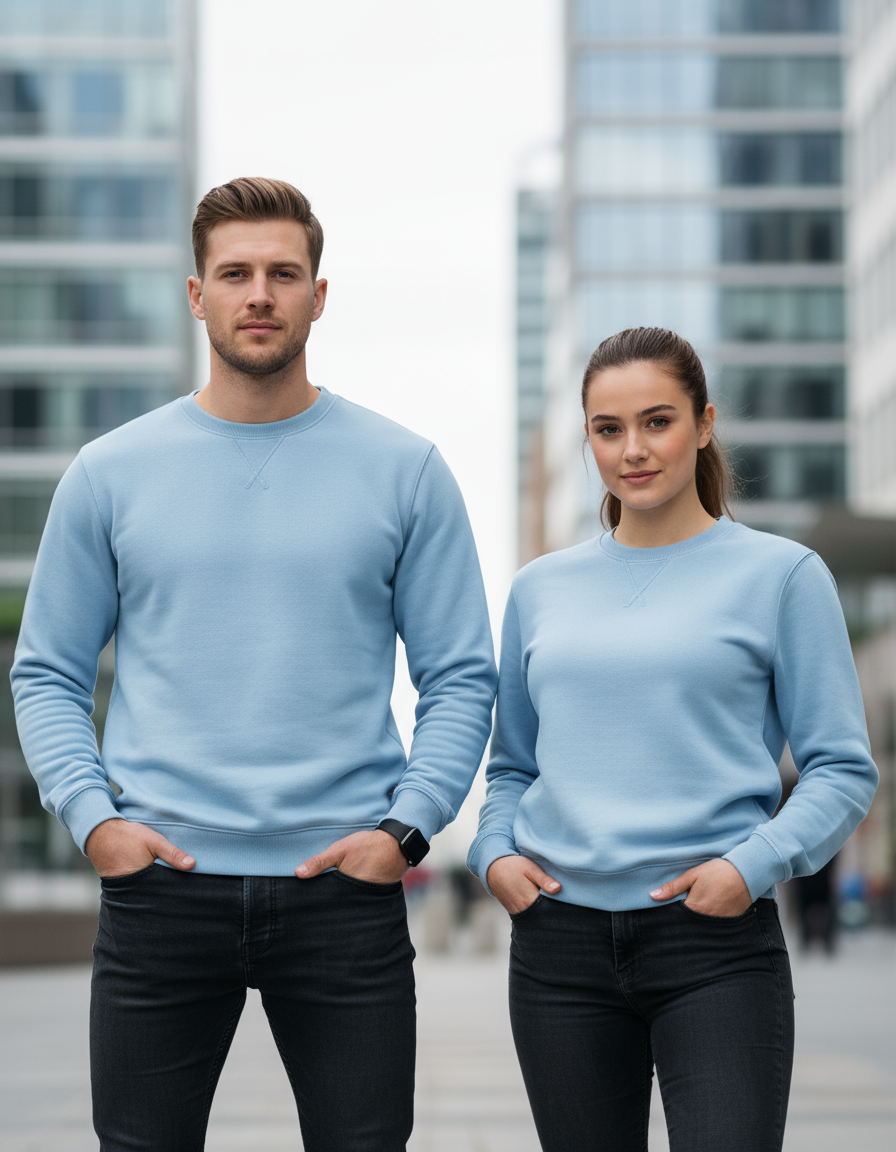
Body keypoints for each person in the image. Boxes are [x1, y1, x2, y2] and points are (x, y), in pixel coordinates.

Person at [12, 176, 497, 1152]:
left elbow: (460, 676)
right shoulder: (110, 472)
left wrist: (403, 833)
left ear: (320, 294)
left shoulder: (405, 470)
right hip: (160, 886)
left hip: (344, 892)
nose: (259, 294)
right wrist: (95, 821)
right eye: (234, 274)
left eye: (283, 272)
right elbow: (47, 672)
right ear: (197, 296)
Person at [467, 327, 878, 1152]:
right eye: (608, 429)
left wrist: (750, 866)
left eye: (657, 422)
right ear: (587, 438)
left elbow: (840, 769)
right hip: (559, 948)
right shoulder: (540, 590)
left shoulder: (783, 577)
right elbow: (512, 764)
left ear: (704, 422)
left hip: (716, 941)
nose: (633, 450)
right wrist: (493, 855)